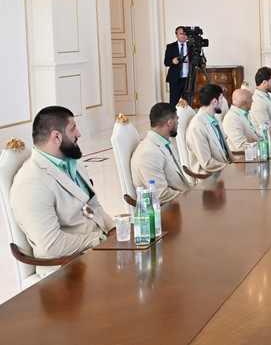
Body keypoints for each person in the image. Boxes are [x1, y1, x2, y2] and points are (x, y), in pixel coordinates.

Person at [10, 106, 114, 271]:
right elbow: (51, 245)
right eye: (73, 129)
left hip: (98, 255)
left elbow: (94, 207)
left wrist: (114, 229)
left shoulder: (73, 164)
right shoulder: (31, 182)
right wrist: (99, 239)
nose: (78, 133)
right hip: (68, 270)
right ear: (56, 136)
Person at [130, 102, 192, 203]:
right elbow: (161, 195)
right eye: (177, 119)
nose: (178, 123)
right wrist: (192, 197)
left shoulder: (164, 142)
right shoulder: (148, 154)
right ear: (170, 123)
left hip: (181, 201)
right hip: (170, 211)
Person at [186, 84, 233, 174]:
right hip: (211, 177)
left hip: (223, 170)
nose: (223, 102)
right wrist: (230, 168)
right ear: (214, 101)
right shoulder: (197, 127)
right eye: (221, 98)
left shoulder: (214, 119)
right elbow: (207, 163)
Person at [164, 26, 190, 106]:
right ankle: (173, 118)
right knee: (173, 102)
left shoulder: (191, 46)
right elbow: (166, 62)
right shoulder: (170, 46)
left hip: (188, 79)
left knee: (188, 102)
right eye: (181, 34)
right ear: (176, 35)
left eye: (185, 34)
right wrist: (172, 61)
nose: (183, 36)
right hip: (175, 79)